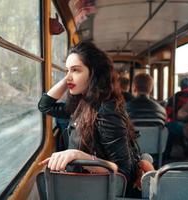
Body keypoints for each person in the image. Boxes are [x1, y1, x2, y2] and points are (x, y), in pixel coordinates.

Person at [38, 42, 138, 196]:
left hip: (96, 193)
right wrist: (70, 78)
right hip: (82, 189)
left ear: (94, 73)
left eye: (76, 70)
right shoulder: (81, 102)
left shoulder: (105, 111)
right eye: (67, 70)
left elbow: (124, 174)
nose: (68, 76)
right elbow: (45, 105)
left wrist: (79, 156)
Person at [164, 77, 188, 159]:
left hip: (180, 124)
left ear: (181, 86)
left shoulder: (175, 97)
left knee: (168, 127)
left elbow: (167, 113)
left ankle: (166, 155)